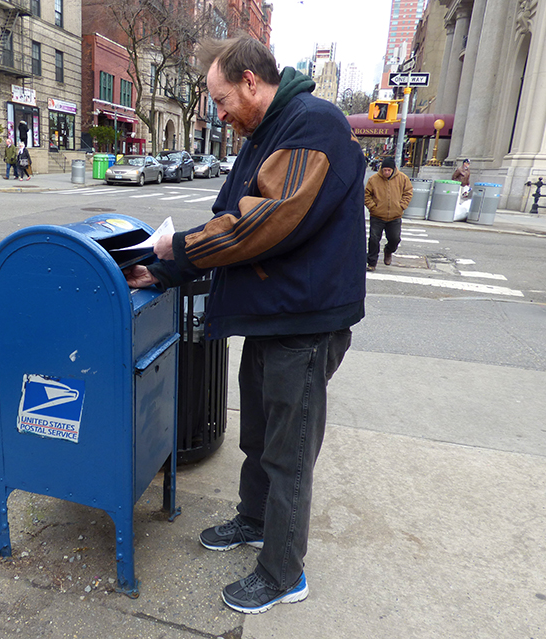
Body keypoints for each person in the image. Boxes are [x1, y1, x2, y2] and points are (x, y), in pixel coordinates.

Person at [124, 36, 366, 614]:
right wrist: (163, 268)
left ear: (252, 82)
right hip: (272, 314)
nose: (219, 112)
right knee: (258, 436)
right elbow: (226, 216)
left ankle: (284, 573)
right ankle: (255, 521)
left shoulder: (314, 125)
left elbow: (262, 221)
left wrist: (174, 252)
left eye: (222, 99)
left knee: (288, 451)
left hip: (303, 324)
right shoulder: (268, 132)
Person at [364, 157, 413, 271]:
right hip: (377, 215)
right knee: (374, 239)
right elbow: (367, 195)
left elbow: (408, 193)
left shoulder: (403, 178)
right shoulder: (373, 179)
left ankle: (388, 251)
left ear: (393, 170)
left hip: (395, 216)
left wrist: (401, 206)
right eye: (384, 170)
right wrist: (372, 207)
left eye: (388, 170)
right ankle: (371, 263)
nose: (386, 172)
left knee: (394, 239)